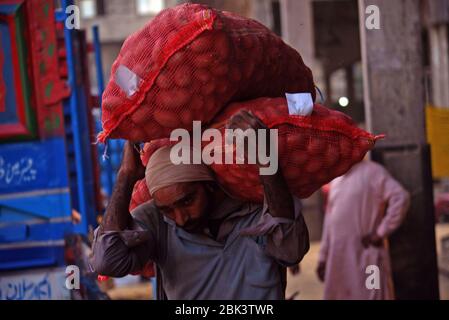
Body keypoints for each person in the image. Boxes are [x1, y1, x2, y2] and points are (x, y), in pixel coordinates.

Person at [90, 110, 310, 299]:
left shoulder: (257, 209)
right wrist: (126, 176)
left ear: (210, 185)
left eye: (187, 201)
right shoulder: (158, 222)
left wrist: (266, 160)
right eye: (167, 210)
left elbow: (290, 252)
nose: (180, 218)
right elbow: (107, 262)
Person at [316, 159, 410, 300]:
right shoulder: (336, 179)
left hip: (369, 258)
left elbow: (401, 197)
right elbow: (329, 222)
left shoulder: (373, 172)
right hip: (339, 260)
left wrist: (380, 233)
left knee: (374, 294)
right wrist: (323, 258)